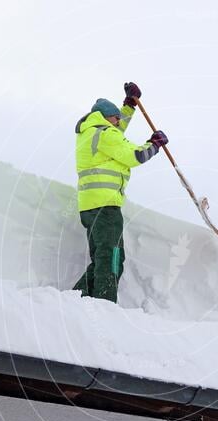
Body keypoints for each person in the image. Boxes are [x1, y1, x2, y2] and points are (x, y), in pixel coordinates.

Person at [72, 82, 168, 303]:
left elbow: (117, 130)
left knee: (102, 258)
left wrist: (129, 105)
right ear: (106, 118)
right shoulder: (105, 135)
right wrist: (154, 145)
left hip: (90, 207)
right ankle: (103, 305)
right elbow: (134, 156)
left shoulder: (91, 132)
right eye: (116, 117)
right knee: (112, 259)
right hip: (105, 207)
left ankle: (75, 301)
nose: (118, 121)